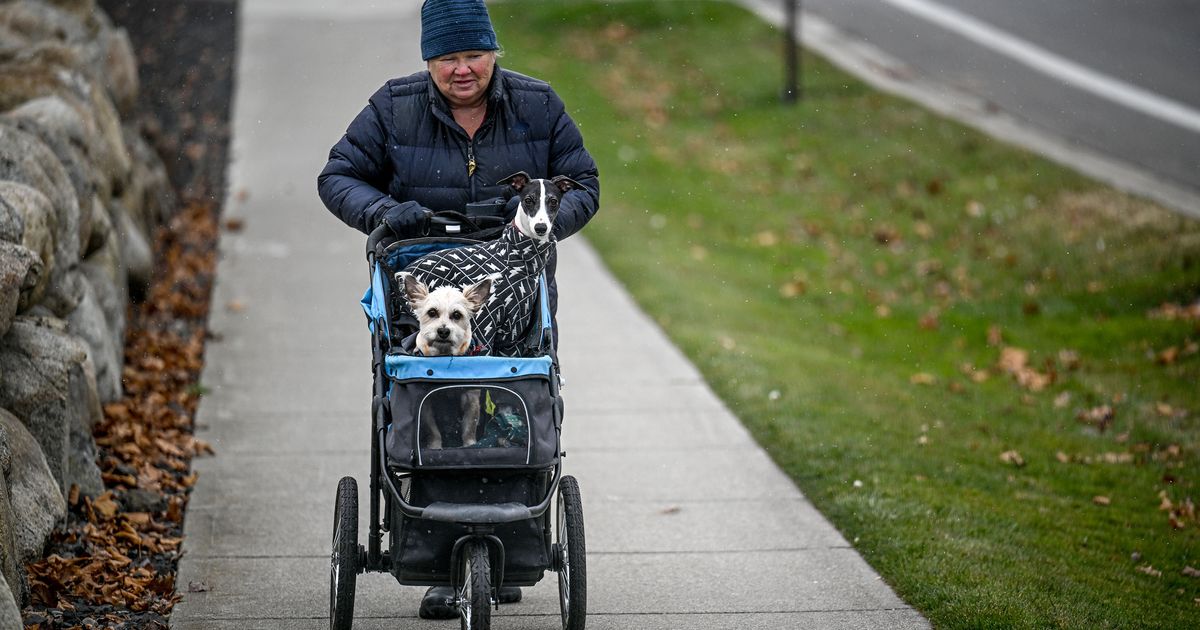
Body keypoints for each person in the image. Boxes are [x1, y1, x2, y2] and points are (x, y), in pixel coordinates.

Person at [316, 0, 599, 620]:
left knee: (514, 382)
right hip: (422, 273)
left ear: (493, 52)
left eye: (473, 55)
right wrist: (382, 213)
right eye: (448, 58)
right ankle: (438, 543)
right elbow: (338, 176)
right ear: (429, 61)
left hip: (512, 284)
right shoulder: (393, 106)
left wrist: (539, 228)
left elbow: (584, 182)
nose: (462, 69)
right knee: (425, 390)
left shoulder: (538, 104)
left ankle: (514, 529)